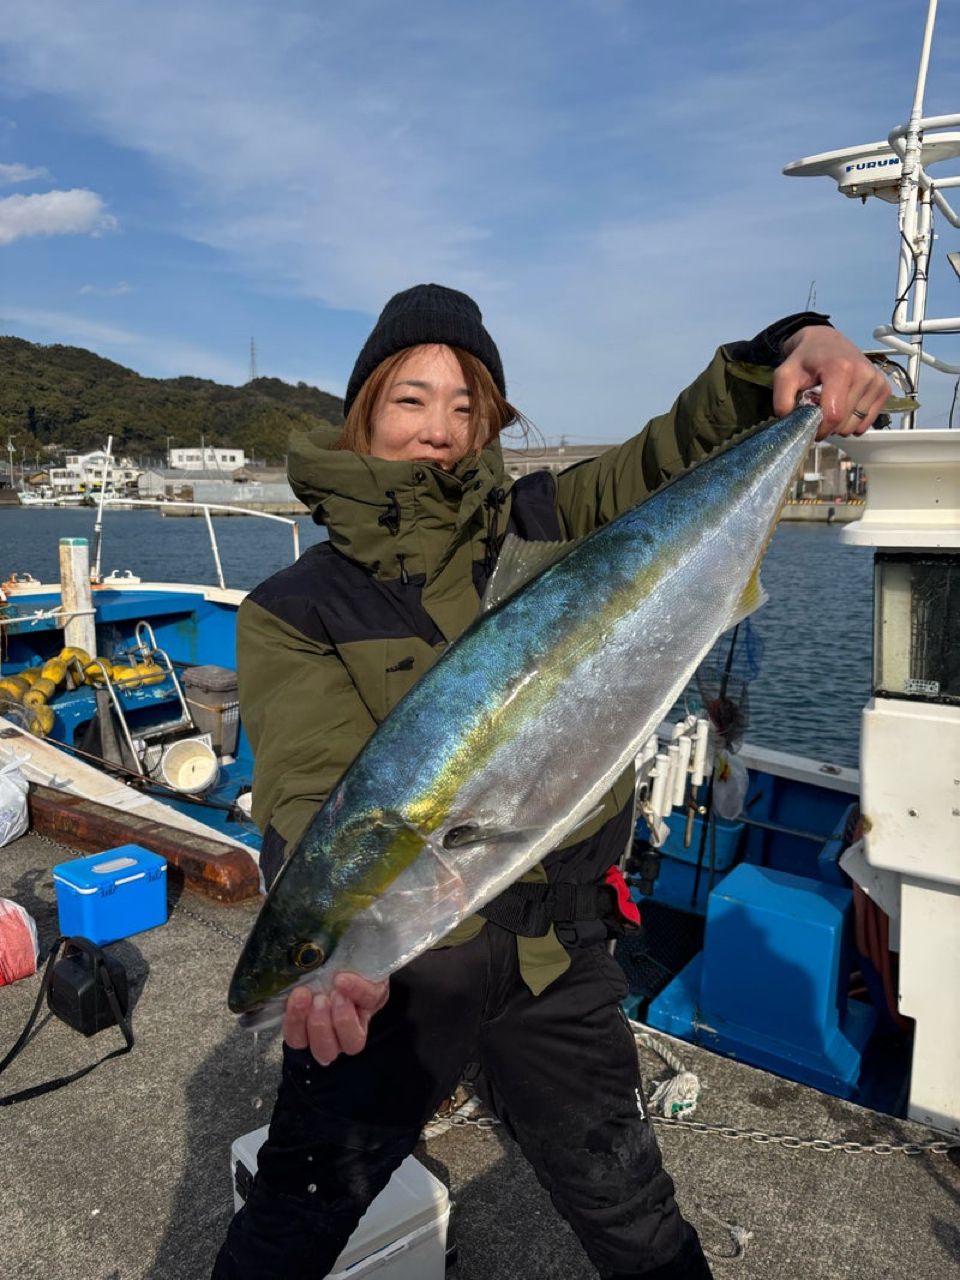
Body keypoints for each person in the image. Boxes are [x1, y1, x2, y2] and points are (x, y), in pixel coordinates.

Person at [212, 284, 889, 1280]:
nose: (440, 430)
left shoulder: (550, 515)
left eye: (465, 404)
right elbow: (315, 788)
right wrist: (327, 942)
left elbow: (677, 450)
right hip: (406, 979)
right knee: (296, 1215)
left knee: (635, 1216)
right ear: (364, 411)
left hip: (557, 955)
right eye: (411, 399)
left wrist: (791, 346)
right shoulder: (294, 605)